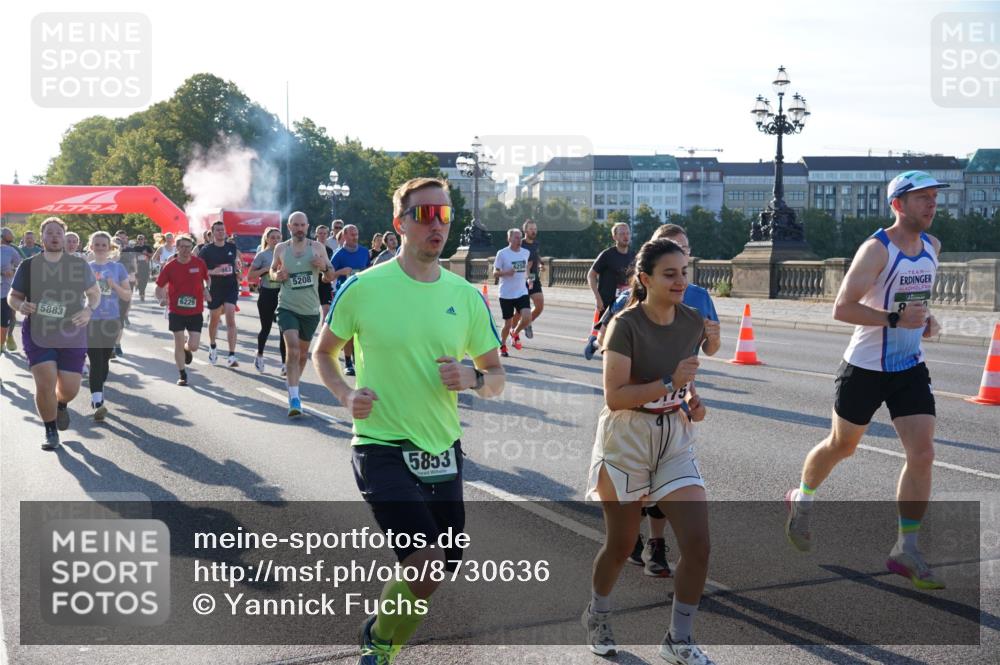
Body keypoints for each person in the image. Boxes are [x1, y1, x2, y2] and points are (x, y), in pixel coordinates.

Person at [313, 177, 504, 664]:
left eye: (444, 214)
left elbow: (497, 376)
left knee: (439, 567)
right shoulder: (363, 287)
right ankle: (380, 646)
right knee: (424, 562)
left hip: (441, 449)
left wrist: (473, 378)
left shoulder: (465, 295)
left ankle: (380, 633)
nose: (437, 224)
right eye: (424, 215)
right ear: (400, 224)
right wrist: (345, 394)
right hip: (380, 444)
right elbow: (324, 352)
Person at [785, 171, 947, 591]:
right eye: (922, 197)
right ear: (897, 204)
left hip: (909, 366)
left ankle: (906, 548)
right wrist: (893, 319)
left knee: (923, 453)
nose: (931, 204)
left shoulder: (932, 246)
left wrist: (927, 320)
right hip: (865, 367)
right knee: (843, 446)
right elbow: (842, 308)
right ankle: (802, 497)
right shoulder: (877, 249)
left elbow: (915, 303)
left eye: (934, 197)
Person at [583, 238, 717, 664]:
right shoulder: (625, 325)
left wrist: (691, 401)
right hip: (627, 437)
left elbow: (686, 380)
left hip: (673, 436)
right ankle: (598, 614)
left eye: (684, 273)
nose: (680, 281)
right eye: (670, 274)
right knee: (622, 545)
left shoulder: (692, 320)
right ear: (645, 278)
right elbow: (616, 396)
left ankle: (679, 638)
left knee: (698, 544)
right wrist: (669, 382)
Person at [7, 218, 100, 450]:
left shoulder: (78, 265)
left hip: (72, 332)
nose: (55, 236)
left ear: (65, 236)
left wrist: (88, 310)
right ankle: (50, 430)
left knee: (69, 389)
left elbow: (94, 293)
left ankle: (61, 404)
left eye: (59, 232)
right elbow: (13, 296)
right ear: (42, 237)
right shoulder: (28, 265)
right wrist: (20, 305)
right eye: (49, 232)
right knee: (45, 383)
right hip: (39, 332)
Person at [270, 212, 335, 416]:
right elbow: (272, 271)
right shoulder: (281, 248)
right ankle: (294, 398)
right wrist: (276, 275)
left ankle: (294, 385)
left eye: (302, 225)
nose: (299, 228)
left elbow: (330, 275)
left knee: (303, 354)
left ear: (307, 226)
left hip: (310, 310)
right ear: (289, 227)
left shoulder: (317, 248)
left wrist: (324, 266)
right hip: (287, 306)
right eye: (296, 225)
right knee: (293, 349)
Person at [85, 232, 131, 420]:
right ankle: (97, 401)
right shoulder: (86, 268)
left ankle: (98, 391)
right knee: (96, 360)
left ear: (110, 247)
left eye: (104, 245)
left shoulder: (118, 268)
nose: (100, 247)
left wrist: (114, 286)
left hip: (111, 319)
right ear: (91, 247)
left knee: (104, 360)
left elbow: (127, 295)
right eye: (97, 244)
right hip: (91, 319)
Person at [154, 234, 210, 386]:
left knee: (194, 346)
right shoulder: (170, 266)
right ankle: (182, 374)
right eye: (183, 247)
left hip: (195, 310)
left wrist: (206, 290)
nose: (186, 250)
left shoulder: (199, 263)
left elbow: (206, 279)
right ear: (177, 248)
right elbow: (158, 288)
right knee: (178, 342)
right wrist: (161, 299)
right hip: (176, 310)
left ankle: (187, 347)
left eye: (188, 247)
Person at [585, 222, 635, 356]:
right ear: (615, 237)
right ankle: (594, 342)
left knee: (620, 336)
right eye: (622, 234)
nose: (626, 236)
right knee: (602, 336)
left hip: (625, 302)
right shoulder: (607, 255)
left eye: (628, 233)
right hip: (606, 303)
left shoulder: (633, 256)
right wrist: (597, 298)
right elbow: (591, 275)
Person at [330, 224, 371, 376]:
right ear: (345, 236)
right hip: (346, 296)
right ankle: (348, 362)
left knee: (363, 329)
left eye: (357, 234)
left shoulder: (364, 251)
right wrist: (341, 272)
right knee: (349, 331)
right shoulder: (338, 254)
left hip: (363, 295)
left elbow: (369, 268)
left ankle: (359, 360)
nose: (355, 237)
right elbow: (327, 277)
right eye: (352, 234)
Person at [200, 221, 241, 367]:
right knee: (214, 319)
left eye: (222, 230)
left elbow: (235, 264)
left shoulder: (231, 247)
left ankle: (232, 355)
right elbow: (200, 270)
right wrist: (213, 271)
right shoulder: (206, 250)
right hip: (215, 288)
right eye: (217, 230)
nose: (221, 232)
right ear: (212, 233)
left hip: (230, 286)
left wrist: (238, 272)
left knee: (231, 317)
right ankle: (212, 346)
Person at [247, 227, 286, 374]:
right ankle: (259, 355)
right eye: (273, 237)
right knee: (266, 328)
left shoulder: (286, 254)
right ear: (267, 239)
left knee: (284, 330)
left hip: (283, 295)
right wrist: (265, 270)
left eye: (278, 237)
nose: (276, 240)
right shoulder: (262, 255)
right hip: (267, 294)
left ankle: (284, 364)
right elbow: (250, 276)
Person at [492, 228, 534, 358]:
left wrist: (530, 279)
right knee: (507, 323)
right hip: (506, 293)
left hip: (521, 291)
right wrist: (506, 272)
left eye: (520, 237)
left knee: (527, 317)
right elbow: (495, 273)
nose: (519, 240)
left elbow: (527, 269)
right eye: (516, 237)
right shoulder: (502, 253)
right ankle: (502, 345)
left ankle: (514, 332)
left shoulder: (525, 252)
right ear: (509, 239)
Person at [511, 218, 544, 339]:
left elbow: (536, 255)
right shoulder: (519, 244)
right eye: (531, 229)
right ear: (525, 231)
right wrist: (525, 267)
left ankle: (526, 323)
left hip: (534, 279)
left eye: (535, 229)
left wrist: (540, 264)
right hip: (520, 280)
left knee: (539, 306)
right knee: (519, 312)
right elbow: (512, 263)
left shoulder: (536, 244)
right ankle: (513, 331)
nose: (534, 231)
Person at [112, 230, 136, 356]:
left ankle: (117, 344)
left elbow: (133, 271)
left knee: (119, 320)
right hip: (106, 295)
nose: (116, 247)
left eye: (119, 244)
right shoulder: (101, 258)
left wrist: (133, 277)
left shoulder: (127, 256)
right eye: (114, 244)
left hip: (122, 292)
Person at [1, 227, 23, 354]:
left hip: (6, 290)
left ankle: (8, 336)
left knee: (10, 316)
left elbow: (20, 266)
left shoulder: (11, 251)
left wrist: (12, 271)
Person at [313, 225, 336, 322]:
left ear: (327, 235)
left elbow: (330, 267)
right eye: (320, 233)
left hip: (325, 281)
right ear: (316, 234)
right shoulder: (310, 247)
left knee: (326, 311)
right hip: (312, 281)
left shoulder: (329, 250)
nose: (322, 235)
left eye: (324, 233)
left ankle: (323, 331)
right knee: (312, 311)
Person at [130, 233, 154, 301]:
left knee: (145, 279)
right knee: (139, 279)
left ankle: (141, 290)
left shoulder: (147, 247)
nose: (140, 240)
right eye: (139, 239)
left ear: (144, 240)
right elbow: (132, 256)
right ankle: (142, 293)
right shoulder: (135, 248)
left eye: (142, 239)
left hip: (145, 265)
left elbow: (152, 255)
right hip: (138, 265)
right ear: (137, 240)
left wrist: (146, 253)